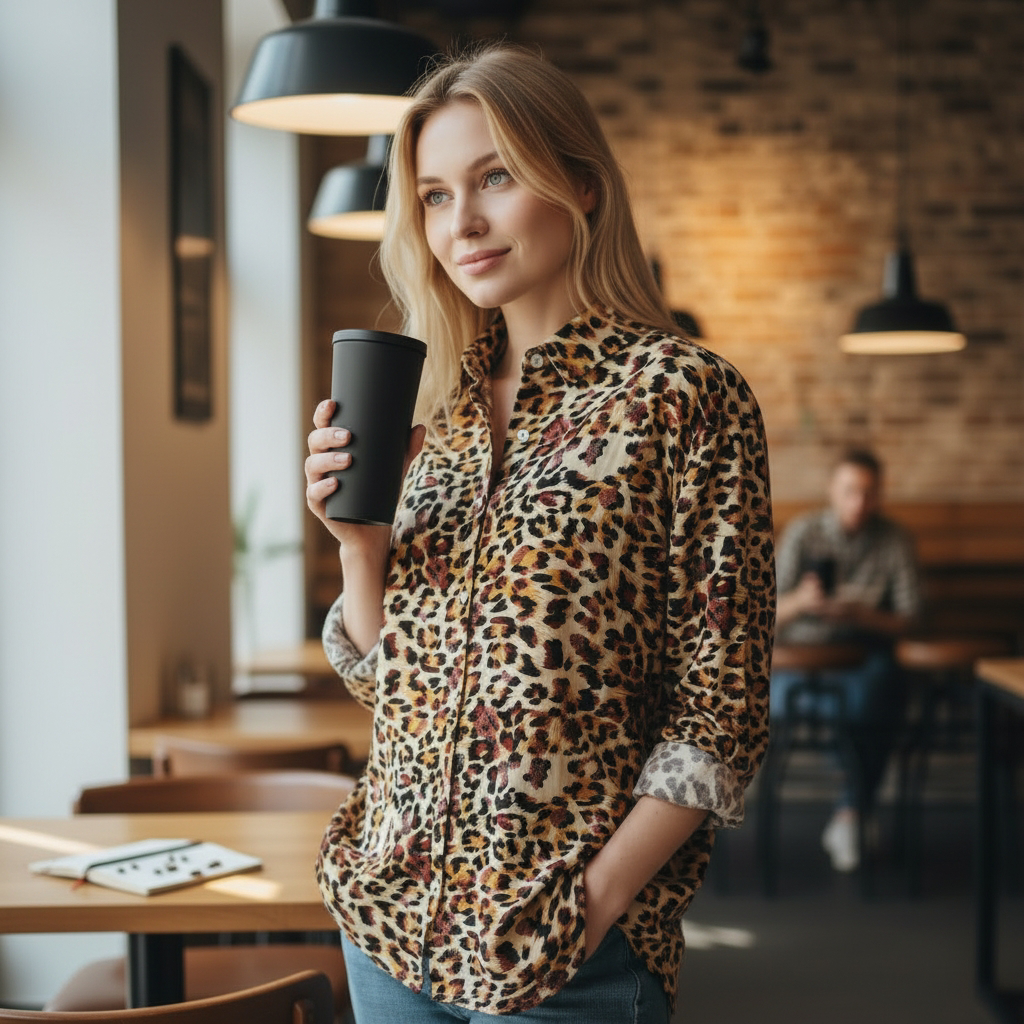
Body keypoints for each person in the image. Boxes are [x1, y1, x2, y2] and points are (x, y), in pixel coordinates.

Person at [304, 42, 775, 1023]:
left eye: (495, 178)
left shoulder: (681, 396)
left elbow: (719, 715)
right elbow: (395, 687)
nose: (461, 223)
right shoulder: (439, 414)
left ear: (582, 185)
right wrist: (358, 551)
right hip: (388, 922)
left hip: (560, 953)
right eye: (434, 196)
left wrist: (589, 908)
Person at [772, 449, 921, 872]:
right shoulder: (803, 533)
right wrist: (803, 602)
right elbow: (762, 614)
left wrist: (860, 614)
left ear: (880, 494)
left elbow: (911, 619)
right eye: (851, 490)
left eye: (869, 492)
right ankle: (855, 810)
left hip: (862, 659)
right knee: (867, 708)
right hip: (801, 663)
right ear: (832, 491)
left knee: (881, 689)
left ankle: (849, 813)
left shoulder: (894, 539)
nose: (859, 501)